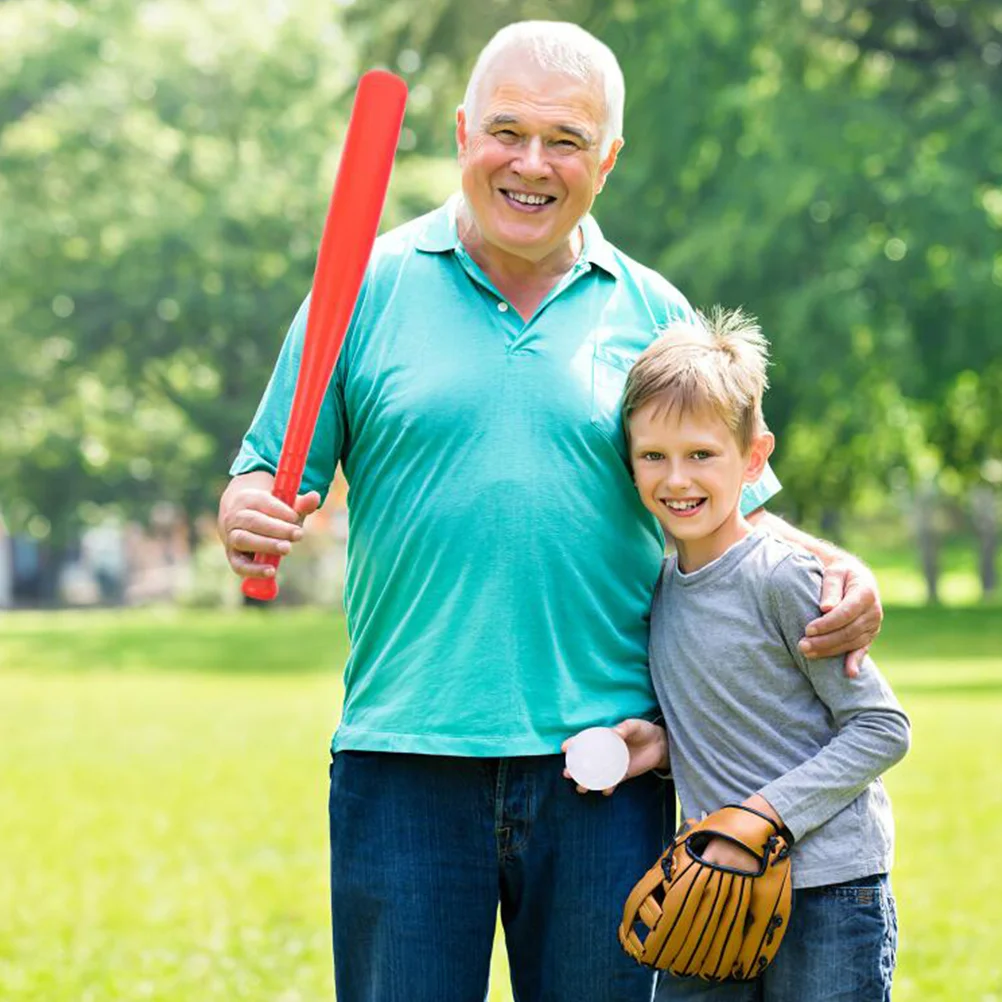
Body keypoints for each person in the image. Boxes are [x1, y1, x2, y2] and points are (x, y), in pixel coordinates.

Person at [217, 22, 884, 1002]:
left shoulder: (656, 314)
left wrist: (843, 571)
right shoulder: (360, 287)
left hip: (609, 768)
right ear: (460, 135)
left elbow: (736, 518)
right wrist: (245, 512)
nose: (531, 163)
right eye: (507, 131)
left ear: (606, 159)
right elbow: (264, 472)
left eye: (566, 139)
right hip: (404, 758)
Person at [573, 307, 909, 1000]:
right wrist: (660, 747)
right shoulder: (661, 590)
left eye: (702, 455)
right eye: (653, 457)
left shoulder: (784, 576)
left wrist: (761, 817)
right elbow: (755, 714)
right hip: (715, 891)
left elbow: (881, 728)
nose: (677, 479)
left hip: (828, 891)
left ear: (753, 458)